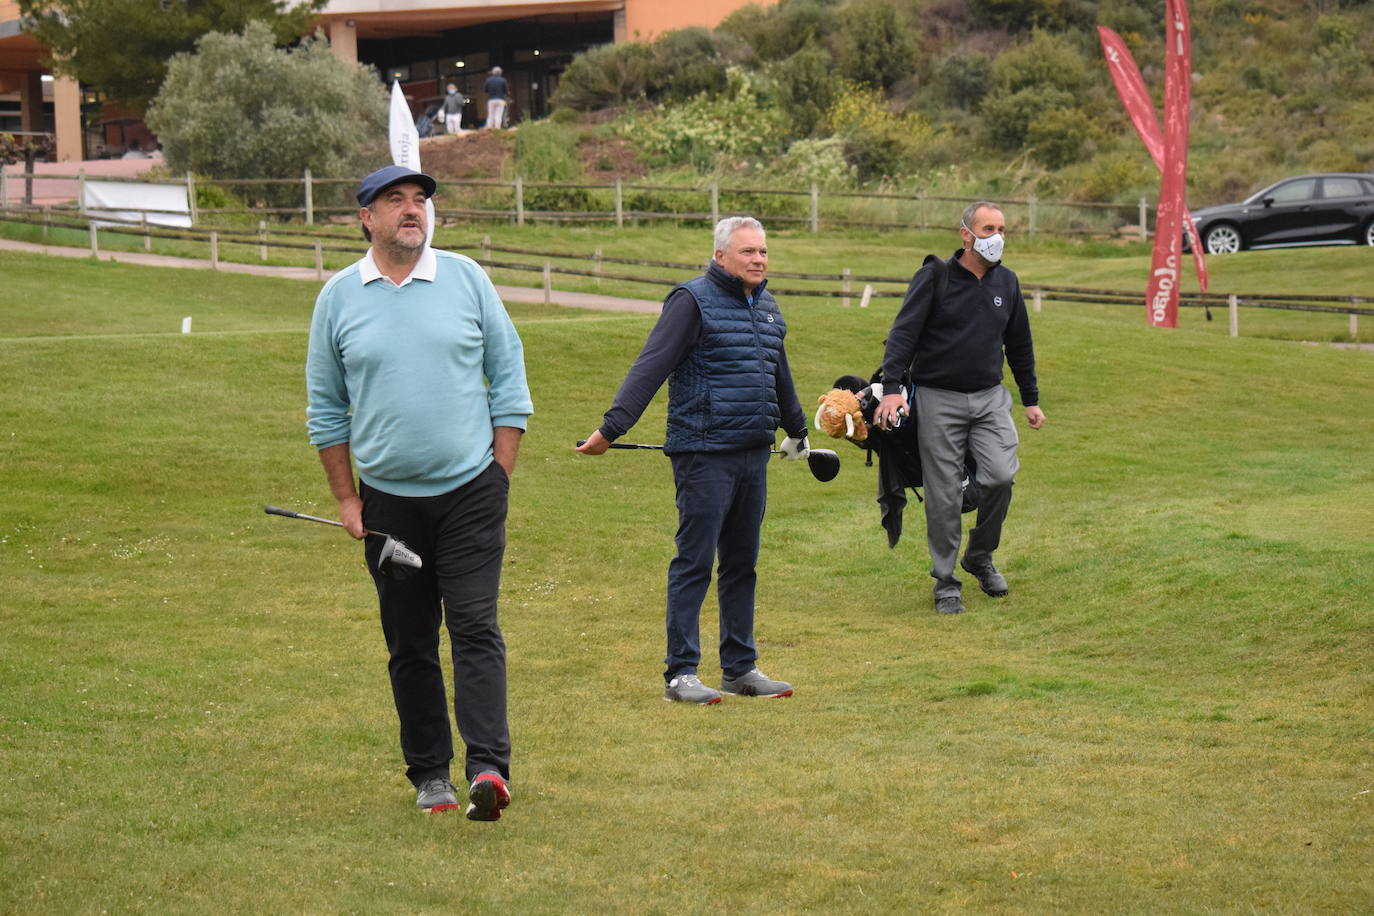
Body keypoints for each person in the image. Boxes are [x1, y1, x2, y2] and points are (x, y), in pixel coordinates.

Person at [305, 164, 533, 817]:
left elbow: (510, 383)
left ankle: (489, 769)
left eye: (419, 201)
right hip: (388, 507)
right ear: (366, 218)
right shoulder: (339, 298)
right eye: (395, 201)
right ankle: (431, 774)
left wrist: (498, 476)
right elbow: (326, 410)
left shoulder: (465, 278)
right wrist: (348, 501)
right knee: (409, 640)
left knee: (474, 624)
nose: (411, 210)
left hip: (470, 494)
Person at [577, 217, 810, 705]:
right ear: (721, 256)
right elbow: (651, 364)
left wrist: (798, 429)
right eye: (748, 252)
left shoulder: (766, 305)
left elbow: (777, 372)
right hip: (703, 453)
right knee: (696, 562)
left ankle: (740, 668)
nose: (759, 260)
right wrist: (610, 429)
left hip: (752, 452)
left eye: (763, 252)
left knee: (742, 563)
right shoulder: (691, 300)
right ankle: (681, 673)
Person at [874, 201, 1046, 615]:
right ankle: (946, 580)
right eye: (988, 228)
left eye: (1002, 228)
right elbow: (903, 335)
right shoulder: (935, 277)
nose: (997, 236)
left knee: (1001, 477)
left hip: (990, 398)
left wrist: (1031, 398)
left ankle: (979, 556)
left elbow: (1019, 344)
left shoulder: (1008, 282)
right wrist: (894, 389)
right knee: (944, 493)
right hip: (938, 397)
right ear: (966, 235)